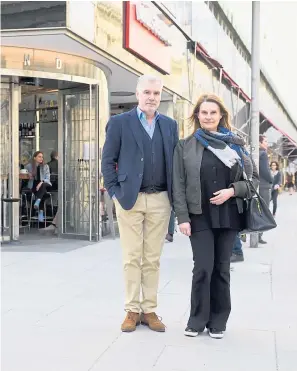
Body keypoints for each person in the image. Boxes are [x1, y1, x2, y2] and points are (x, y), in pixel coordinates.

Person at [173, 93, 259, 339]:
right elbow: (178, 184)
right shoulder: (185, 145)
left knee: (222, 269)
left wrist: (233, 191)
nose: (208, 116)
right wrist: (182, 217)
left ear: (221, 115)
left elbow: (253, 180)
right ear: (197, 116)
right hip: (199, 215)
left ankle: (218, 321)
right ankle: (197, 320)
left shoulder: (236, 144)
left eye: (213, 112)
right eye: (204, 112)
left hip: (229, 213)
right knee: (202, 267)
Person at [101, 75, 178, 333]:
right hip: (130, 199)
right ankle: (131, 310)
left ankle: (150, 310)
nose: (151, 97)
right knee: (132, 256)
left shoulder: (169, 125)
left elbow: (174, 164)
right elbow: (107, 160)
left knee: (152, 258)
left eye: (156, 93)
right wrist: (114, 193)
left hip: (160, 199)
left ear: (160, 96)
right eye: (147, 92)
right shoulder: (119, 123)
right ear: (137, 94)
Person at [25, 151, 52, 222]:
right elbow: (25, 174)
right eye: (39, 157)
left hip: (45, 184)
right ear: (34, 158)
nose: (41, 158)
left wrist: (41, 182)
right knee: (42, 193)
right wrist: (28, 175)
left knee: (42, 186)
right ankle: (41, 211)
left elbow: (47, 178)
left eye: (42, 157)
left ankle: (38, 201)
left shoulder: (45, 166)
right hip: (34, 185)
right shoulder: (29, 166)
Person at [258, 135, 273, 244]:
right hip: (263, 186)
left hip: (257, 185)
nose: (267, 143)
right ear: (259, 142)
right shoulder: (263, 154)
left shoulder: (256, 153)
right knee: (263, 210)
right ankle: (259, 235)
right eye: (265, 141)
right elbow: (265, 171)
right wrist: (272, 179)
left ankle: (257, 235)